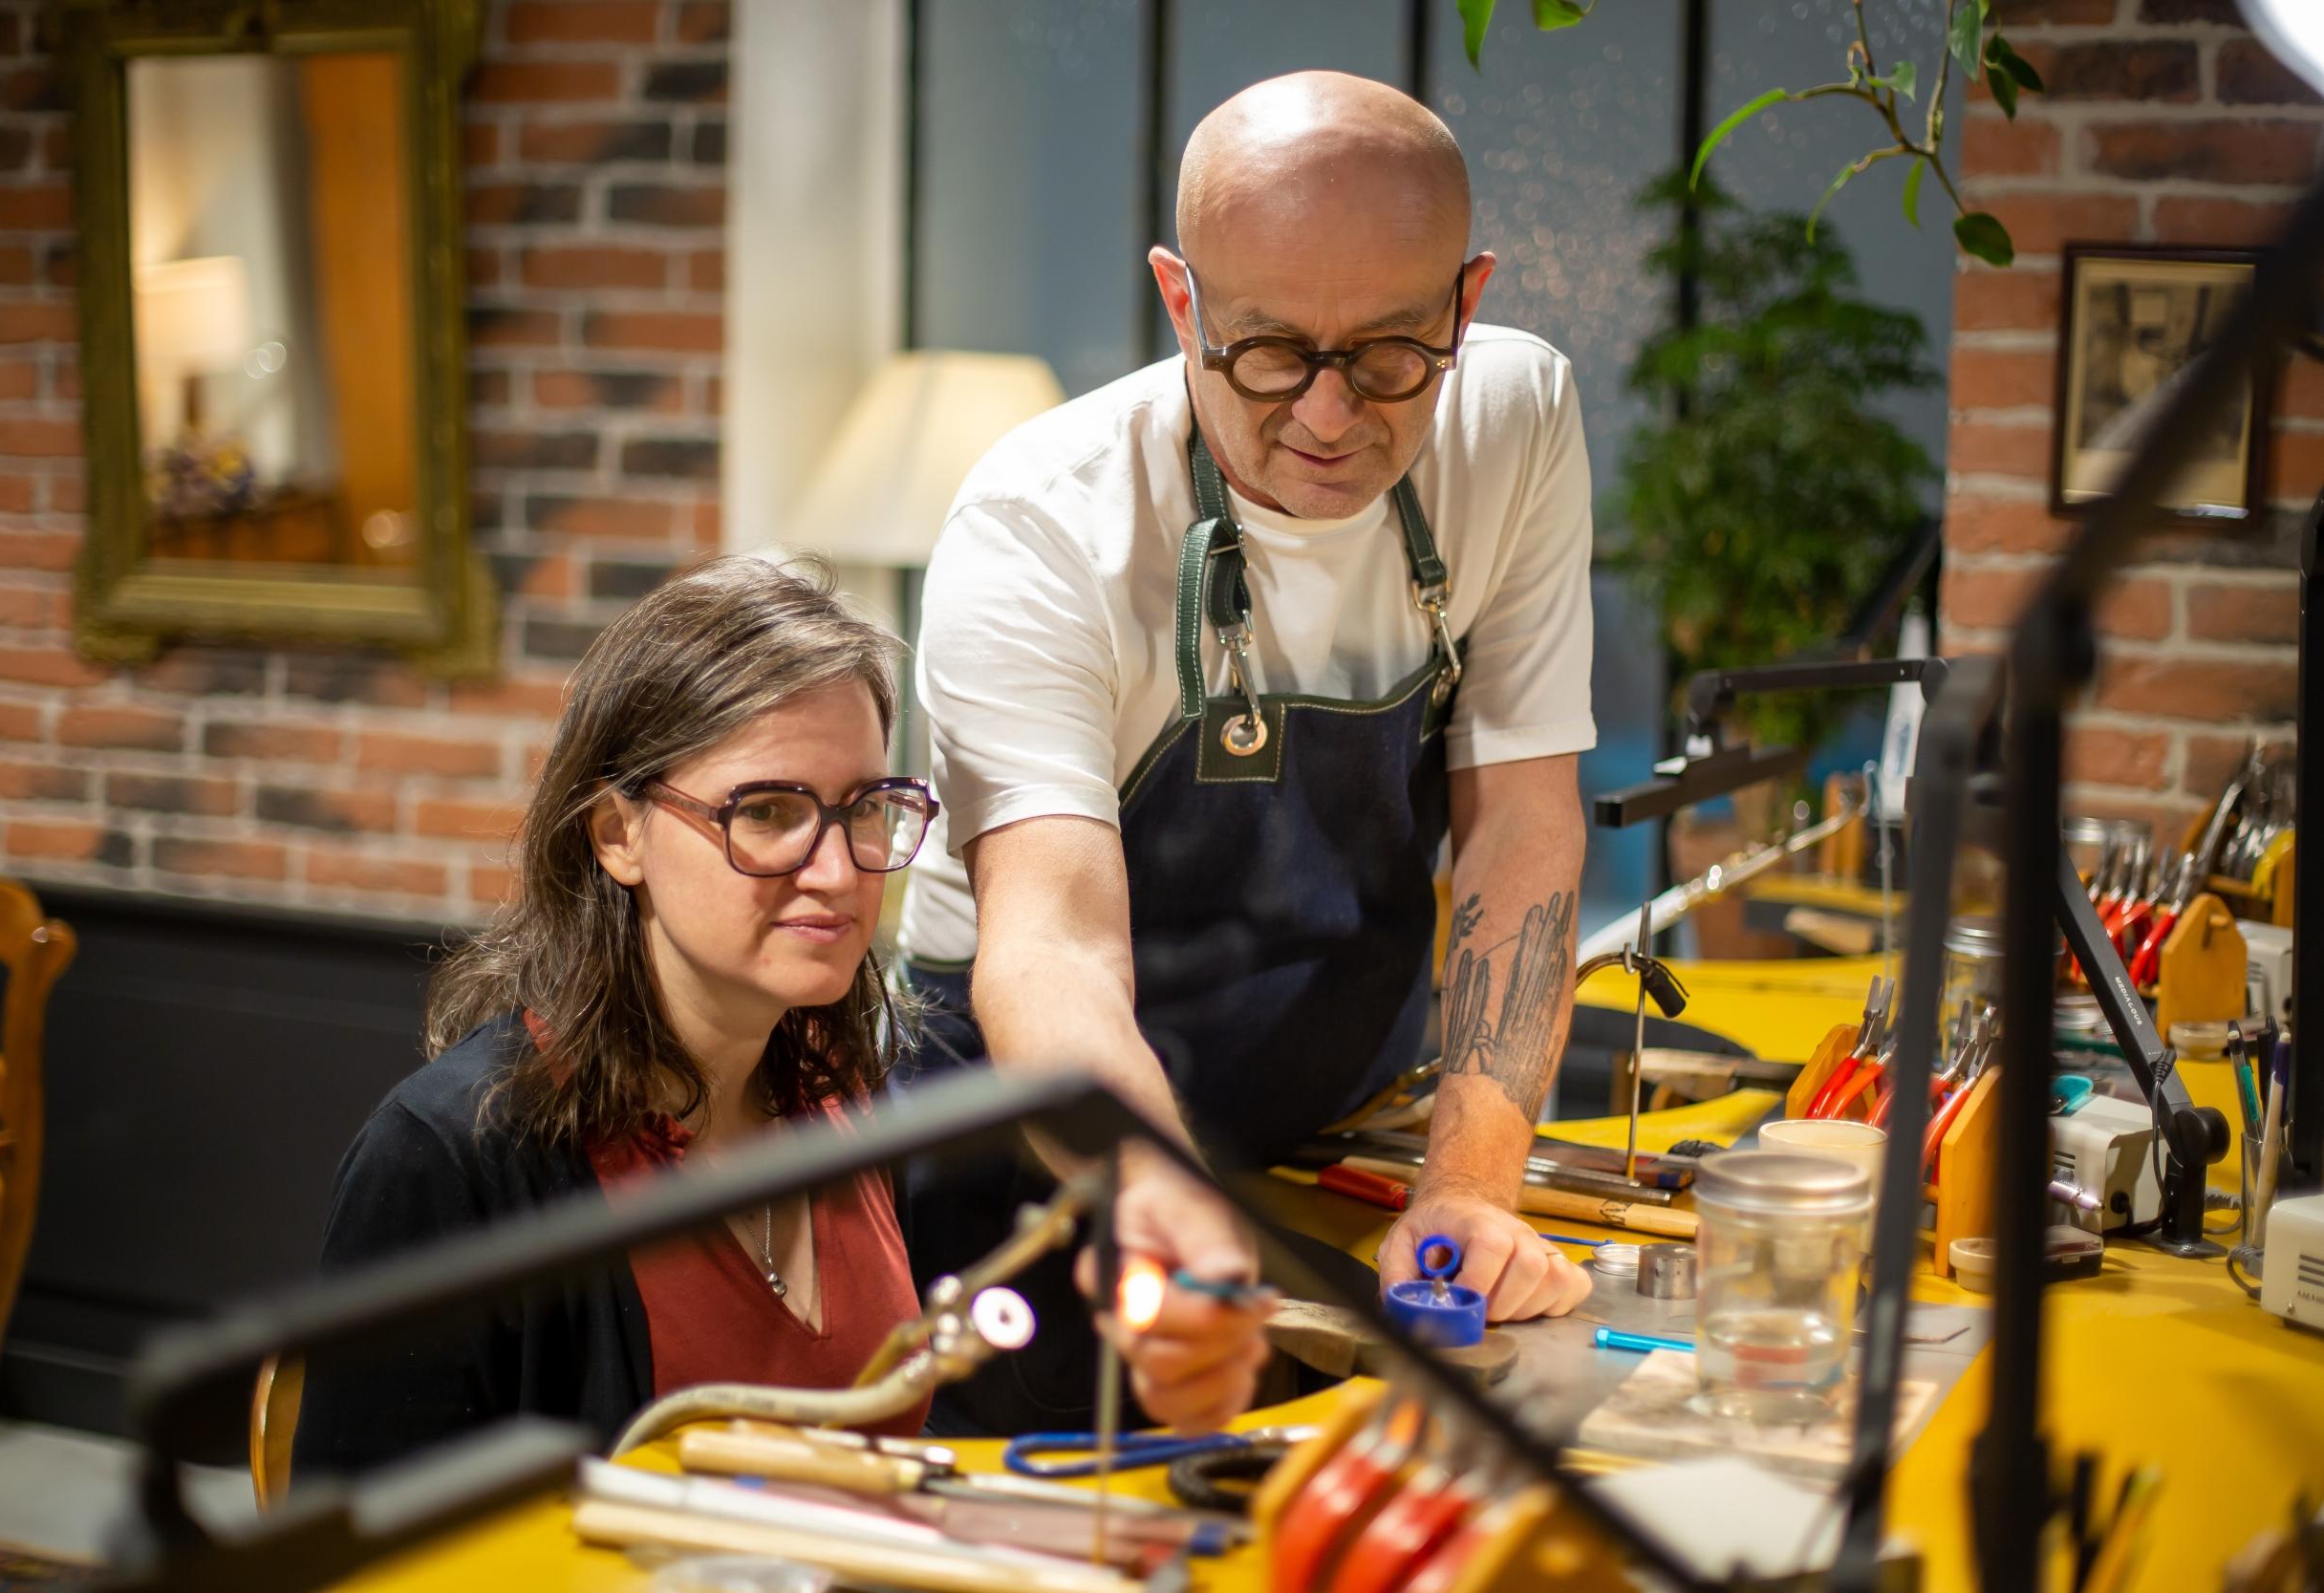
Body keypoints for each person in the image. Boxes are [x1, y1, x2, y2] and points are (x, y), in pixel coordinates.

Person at [900, 71, 1598, 1434]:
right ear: (1182, 302)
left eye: (1394, 353)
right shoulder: (1044, 523)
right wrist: (1160, 1189)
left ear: (1468, 299)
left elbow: (1521, 821)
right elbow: (1052, 946)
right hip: (1043, 1169)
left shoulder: (1515, 420)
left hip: (1326, 1124)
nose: (1331, 417)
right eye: (1270, 353)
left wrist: (1467, 1184)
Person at [294, 556, 1239, 1475]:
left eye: (865, 807)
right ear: (619, 833)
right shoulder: (446, 1154)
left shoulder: (848, 1094)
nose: (835, 870)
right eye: (768, 810)